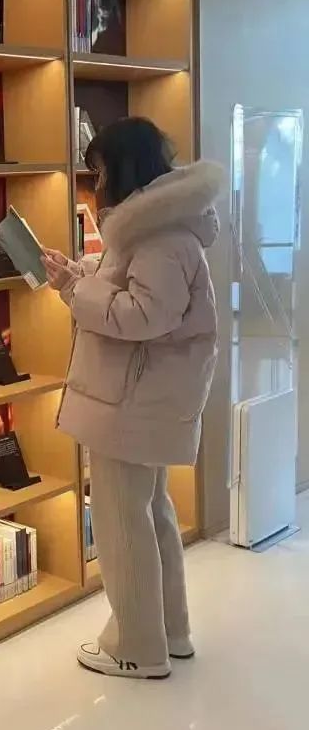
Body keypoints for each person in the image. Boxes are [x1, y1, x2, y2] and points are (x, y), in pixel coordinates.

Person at [42, 117, 222, 680]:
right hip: (142, 399)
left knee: (123, 525)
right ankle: (169, 632)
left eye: (98, 172)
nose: (96, 184)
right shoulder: (158, 227)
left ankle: (137, 647)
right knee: (150, 515)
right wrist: (79, 273)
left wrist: (75, 290)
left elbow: (143, 315)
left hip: (131, 401)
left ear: (121, 169)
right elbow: (129, 283)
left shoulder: (159, 235)